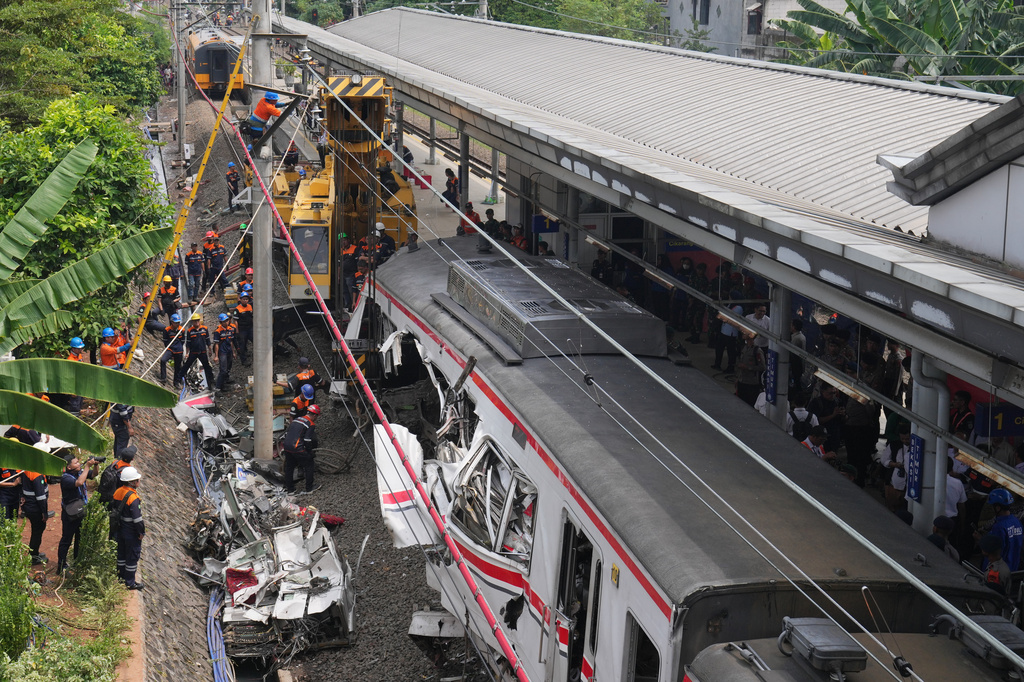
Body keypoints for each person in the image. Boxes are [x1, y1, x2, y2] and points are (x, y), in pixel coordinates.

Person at [56, 455, 99, 573]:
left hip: (80, 510)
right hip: (70, 514)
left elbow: (94, 475)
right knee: (67, 539)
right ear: (69, 467)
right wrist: (87, 466)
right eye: (76, 463)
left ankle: (77, 561)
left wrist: (96, 465)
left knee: (79, 538)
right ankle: (61, 566)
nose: (78, 464)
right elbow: (79, 482)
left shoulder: (80, 472)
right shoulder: (66, 478)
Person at [111, 466, 145, 590]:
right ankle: (130, 582)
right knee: (132, 556)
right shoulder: (133, 499)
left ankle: (120, 577)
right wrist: (141, 532)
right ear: (133, 482)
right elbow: (137, 520)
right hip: (131, 532)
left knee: (121, 553)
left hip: (120, 529)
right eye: (138, 479)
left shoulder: (118, 491)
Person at [979, 488, 1023, 571]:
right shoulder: (1017, 522)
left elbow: (992, 551)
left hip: (996, 571)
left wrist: (980, 540)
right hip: (1012, 569)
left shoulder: (999, 527)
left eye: (992, 506)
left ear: (998, 508)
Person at [282, 404, 320, 494]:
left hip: (287, 446)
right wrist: (310, 452)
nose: (316, 418)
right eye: (317, 416)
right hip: (297, 448)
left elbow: (288, 433)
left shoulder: (296, 419)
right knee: (309, 464)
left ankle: (290, 489)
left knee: (289, 467)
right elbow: (307, 440)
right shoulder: (310, 424)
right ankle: (309, 488)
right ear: (314, 415)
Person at [21, 464, 49, 564]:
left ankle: (34, 553)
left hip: (29, 506)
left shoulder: (27, 470)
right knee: (37, 531)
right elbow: (41, 497)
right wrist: (44, 512)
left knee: (36, 530)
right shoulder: (37, 475)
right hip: (35, 508)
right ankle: (33, 557)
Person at [882, 425, 912, 512]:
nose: (905, 441)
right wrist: (894, 464)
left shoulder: (916, 448)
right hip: (894, 482)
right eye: (902, 438)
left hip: (908, 485)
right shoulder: (894, 445)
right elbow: (884, 460)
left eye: (907, 439)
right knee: (891, 506)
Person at [808, 384, 845, 454]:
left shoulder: (837, 402)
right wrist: (832, 415)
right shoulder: (816, 403)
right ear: (822, 391)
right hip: (821, 437)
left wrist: (843, 415)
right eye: (830, 393)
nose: (832, 395)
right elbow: (816, 420)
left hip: (835, 435)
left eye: (834, 393)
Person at [713, 291, 743, 373]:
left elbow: (728, 316)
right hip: (724, 331)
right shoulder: (730, 305)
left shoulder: (738, 308)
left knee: (731, 351)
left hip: (731, 333)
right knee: (719, 348)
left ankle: (731, 367)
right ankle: (717, 364)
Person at [183, 312, 215, 388]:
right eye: (195, 321)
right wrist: (187, 353)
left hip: (203, 352)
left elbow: (208, 341)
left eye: (197, 320)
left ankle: (211, 383)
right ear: (192, 322)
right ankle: (182, 380)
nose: (196, 322)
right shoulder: (190, 331)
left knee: (207, 367)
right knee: (187, 365)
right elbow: (188, 343)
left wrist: (210, 350)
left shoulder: (205, 329)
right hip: (193, 352)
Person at [734, 333, 765, 407]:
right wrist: (737, 378)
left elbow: (762, 367)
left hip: (751, 383)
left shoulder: (757, 351)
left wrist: (748, 367)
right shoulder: (743, 348)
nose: (743, 334)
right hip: (742, 381)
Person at [686, 262, 709, 343]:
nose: (699, 271)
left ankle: (697, 336)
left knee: (698, 320)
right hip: (692, 301)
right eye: (698, 269)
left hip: (700, 303)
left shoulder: (705, 280)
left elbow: (704, 292)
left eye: (701, 270)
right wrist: (690, 298)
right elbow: (689, 288)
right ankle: (693, 334)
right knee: (689, 318)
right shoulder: (693, 277)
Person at [160, 313, 185, 388]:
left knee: (177, 367)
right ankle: (163, 378)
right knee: (163, 360)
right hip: (170, 349)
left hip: (179, 350)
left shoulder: (182, 330)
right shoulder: (167, 330)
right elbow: (165, 341)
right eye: (176, 323)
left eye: (178, 322)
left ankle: (176, 382)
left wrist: (179, 347)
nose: (178, 324)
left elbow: (183, 340)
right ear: (172, 322)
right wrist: (169, 348)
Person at [213, 313, 236, 391]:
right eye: (224, 321)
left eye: (227, 321)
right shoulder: (218, 331)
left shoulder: (230, 329)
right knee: (223, 370)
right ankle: (218, 387)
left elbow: (231, 342)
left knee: (228, 367)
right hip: (222, 352)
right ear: (220, 323)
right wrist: (216, 356)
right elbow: (216, 344)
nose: (226, 322)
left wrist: (233, 352)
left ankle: (225, 381)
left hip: (229, 351)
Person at [234, 291, 254, 363]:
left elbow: (252, 317)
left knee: (255, 341)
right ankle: (244, 360)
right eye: (244, 299)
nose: (245, 300)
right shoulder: (237, 309)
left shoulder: (250, 306)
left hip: (250, 328)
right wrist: (237, 331)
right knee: (242, 344)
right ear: (240, 299)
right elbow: (235, 320)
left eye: (246, 299)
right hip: (242, 329)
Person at [790, 319, 806, 390]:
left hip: (796, 363)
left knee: (797, 382)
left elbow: (792, 352)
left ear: (794, 327)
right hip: (799, 363)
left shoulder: (796, 338)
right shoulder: (800, 336)